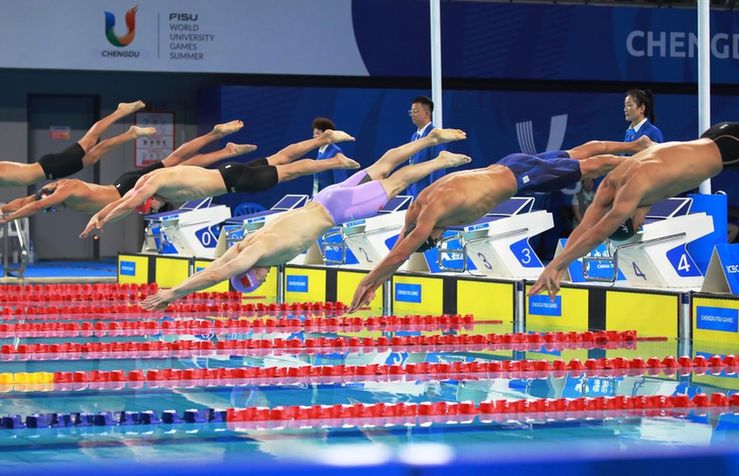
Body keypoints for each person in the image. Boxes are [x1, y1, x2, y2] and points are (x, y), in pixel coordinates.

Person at [139, 128, 470, 311]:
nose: (263, 280)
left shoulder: (259, 253)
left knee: (397, 180)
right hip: (325, 200)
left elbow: (217, 274)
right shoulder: (247, 243)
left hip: (337, 211)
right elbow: (218, 266)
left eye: (256, 280)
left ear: (250, 272)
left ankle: (438, 159)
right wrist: (177, 289)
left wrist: (174, 294)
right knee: (381, 167)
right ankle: (428, 141)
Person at [348, 136, 655, 312]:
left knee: (591, 165)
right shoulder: (415, 210)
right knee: (578, 153)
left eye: (435, 238)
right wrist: (377, 281)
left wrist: (365, 282)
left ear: (430, 236)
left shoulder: (431, 217)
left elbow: (401, 253)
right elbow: (400, 245)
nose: (440, 238)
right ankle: (634, 146)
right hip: (508, 163)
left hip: (519, 178)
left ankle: (643, 160)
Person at [530, 122, 739, 300]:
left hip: (727, 149)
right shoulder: (609, 185)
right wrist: (561, 267)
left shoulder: (633, 189)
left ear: (627, 214)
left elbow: (597, 234)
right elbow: (585, 226)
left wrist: (556, 264)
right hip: (713, 138)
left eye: (635, 226)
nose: (641, 225)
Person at [80, 129, 362, 236]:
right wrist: (101, 215)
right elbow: (127, 201)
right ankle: (322, 139)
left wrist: (101, 218)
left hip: (233, 181)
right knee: (279, 157)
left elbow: (127, 204)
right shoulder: (153, 175)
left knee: (290, 171)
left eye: (150, 207)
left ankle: (332, 161)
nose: (151, 207)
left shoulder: (147, 188)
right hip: (229, 171)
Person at [0, 121, 253, 223]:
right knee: (175, 161)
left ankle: (217, 139)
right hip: (122, 186)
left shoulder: (66, 189)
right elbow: (25, 201)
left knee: (179, 163)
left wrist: (10, 219)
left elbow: (32, 207)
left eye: (48, 201)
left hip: (126, 189)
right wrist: (4, 210)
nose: (49, 204)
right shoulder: (55, 192)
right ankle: (225, 150)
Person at [0, 101, 148, 187]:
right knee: (94, 156)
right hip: (51, 171)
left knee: (89, 141)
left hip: (51, 167)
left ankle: (120, 111)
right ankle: (130, 134)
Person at [405, 96, 446, 197]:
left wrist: (433, 194)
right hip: (413, 192)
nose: (412, 115)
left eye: (416, 111)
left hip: (426, 193)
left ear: (427, 114)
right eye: (411, 111)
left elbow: (438, 166)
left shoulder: (436, 135)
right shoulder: (414, 136)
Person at [311, 117, 349, 195]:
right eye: (314, 133)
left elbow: (340, 181)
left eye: (317, 133)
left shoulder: (335, 152)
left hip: (331, 199)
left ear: (327, 135)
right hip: (320, 197)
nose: (314, 136)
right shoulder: (320, 151)